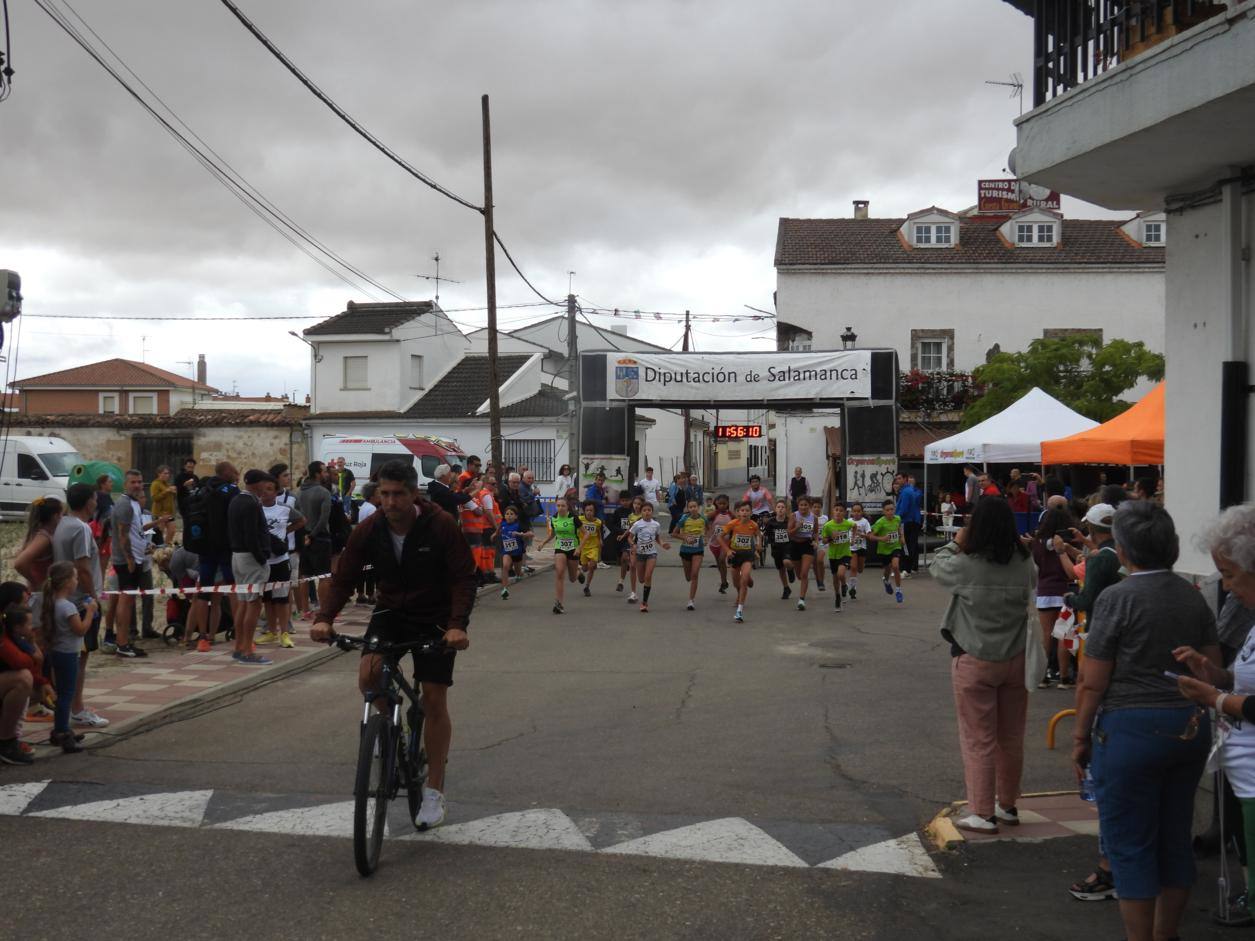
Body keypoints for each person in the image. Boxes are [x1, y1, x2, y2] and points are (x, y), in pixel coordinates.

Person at [1072, 501, 1221, 941]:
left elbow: (1092, 680)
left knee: (1130, 843)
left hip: (1129, 729)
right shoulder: (1191, 598)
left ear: (1123, 550)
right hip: (1188, 726)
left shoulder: (1116, 598)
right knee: (1175, 837)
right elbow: (1211, 669)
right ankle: (1165, 934)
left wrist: (1080, 736)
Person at [310, 459, 476, 832]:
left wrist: (456, 626)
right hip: (391, 610)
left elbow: (464, 577)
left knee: (434, 698)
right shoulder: (370, 528)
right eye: (384, 494)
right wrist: (325, 618)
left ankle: (434, 790)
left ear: (414, 494)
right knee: (368, 675)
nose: (390, 502)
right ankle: (388, 730)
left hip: (435, 614)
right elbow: (345, 576)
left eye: (398, 494)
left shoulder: (440, 525)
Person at [931, 496, 1035, 834]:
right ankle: (1007, 805)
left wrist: (957, 541)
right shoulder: (1024, 562)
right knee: (1011, 736)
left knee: (978, 738)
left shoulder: (967, 563)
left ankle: (982, 811)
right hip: (1017, 657)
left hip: (974, 656)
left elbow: (937, 564)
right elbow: (1032, 577)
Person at [1173, 505, 1255, 922]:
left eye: (1229, 574)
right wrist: (1214, 674)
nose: (1225, 586)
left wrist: (1215, 697)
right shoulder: (1252, 618)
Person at [52, 483, 107, 730]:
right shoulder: (82, 529)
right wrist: (93, 598)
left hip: (65, 598)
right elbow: (83, 567)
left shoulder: (62, 523)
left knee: (69, 657)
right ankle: (77, 709)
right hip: (80, 601)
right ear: (89, 502)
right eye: (95, 499)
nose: (96, 503)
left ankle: (68, 705)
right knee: (80, 658)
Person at [39, 561, 97, 754]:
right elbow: (80, 630)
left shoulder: (52, 603)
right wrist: (90, 612)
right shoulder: (68, 607)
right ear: (66, 583)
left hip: (56, 652)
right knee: (66, 695)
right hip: (68, 654)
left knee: (62, 693)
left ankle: (61, 727)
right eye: (74, 577)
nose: (76, 581)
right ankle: (62, 732)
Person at [186, 463, 240, 651]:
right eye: (235, 472)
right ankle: (241, 632)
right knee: (233, 589)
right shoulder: (232, 491)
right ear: (227, 474)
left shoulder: (202, 490)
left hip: (204, 548)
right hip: (225, 547)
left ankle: (203, 638)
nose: (238, 475)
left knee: (203, 592)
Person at [1031, 506, 1078, 690]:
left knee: (1046, 635)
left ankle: (1043, 676)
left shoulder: (1037, 542)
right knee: (1064, 634)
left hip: (1044, 591)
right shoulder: (1066, 543)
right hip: (1064, 590)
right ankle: (1064, 677)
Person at [107, 471, 151, 659]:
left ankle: (124, 641)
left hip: (137, 557)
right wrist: (130, 559)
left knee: (129, 599)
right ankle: (122, 643)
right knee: (125, 599)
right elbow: (122, 534)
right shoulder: (124, 504)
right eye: (133, 482)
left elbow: (135, 530)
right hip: (127, 560)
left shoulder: (134, 504)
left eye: (140, 482)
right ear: (125, 484)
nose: (137, 485)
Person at [259, 474, 304, 649]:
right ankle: (271, 631)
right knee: (268, 600)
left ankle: (284, 633)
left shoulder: (284, 509)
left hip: (280, 560)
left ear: (276, 492)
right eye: (263, 489)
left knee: (282, 599)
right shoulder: (255, 508)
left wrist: (286, 531)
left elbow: (301, 520)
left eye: (269, 489)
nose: (265, 493)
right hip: (263, 561)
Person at [297, 461, 333, 618]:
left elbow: (298, 515)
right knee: (324, 576)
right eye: (324, 471)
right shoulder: (323, 492)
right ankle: (324, 610)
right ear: (318, 474)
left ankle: (305, 610)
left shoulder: (299, 492)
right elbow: (324, 519)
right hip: (320, 537)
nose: (326, 474)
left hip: (304, 536)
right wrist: (313, 535)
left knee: (305, 575)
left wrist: (305, 535)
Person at [538, 496, 580, 614]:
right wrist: (543, 543)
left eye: (563, 506)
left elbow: (585, 534)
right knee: (560, 572)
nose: (560, 508)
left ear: (567, 507)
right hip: (560, 547)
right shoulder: (554, 518)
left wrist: (579, 547)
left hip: (573, 548)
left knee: (572, 579)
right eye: (558, 506)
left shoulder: (573, 518)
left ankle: (578, 572)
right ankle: (559, 603)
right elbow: (553, 535)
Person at [722, 501, 761, 623]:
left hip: (748, 555)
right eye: (742, 510)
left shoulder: (753, 525)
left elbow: (758, 534)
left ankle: (739, 611)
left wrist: (759, 545)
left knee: (743, 580)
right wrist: (727, 550)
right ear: (738, 512)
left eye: (747, 510)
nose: (744, 513)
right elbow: (719, 537)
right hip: (735, 555)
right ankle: (745, 584)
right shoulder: (733, 524)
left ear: (751, 512)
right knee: (736, 582)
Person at [628, 501, 670, 613]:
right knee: (641, 579)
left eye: (649, 510)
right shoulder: (637, 524)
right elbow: (630, 537)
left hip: (651, 554)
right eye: (644, 510)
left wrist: (662, 544)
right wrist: (633, 545)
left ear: (652, 512)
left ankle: (644, 603)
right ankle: (643, 598)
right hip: (640, 554)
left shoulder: (656, 525)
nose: (647, 512)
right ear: (641, 512)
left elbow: (657, 537)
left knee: (648, 576)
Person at [13, 497, 64, 591]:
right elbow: (19, 563)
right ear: (55, 516)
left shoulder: (39, 533)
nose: (63, 518)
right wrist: (35, 582)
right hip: (40, 591)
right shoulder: (43, 538)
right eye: (62, 514)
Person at [787, 494, 819, 612]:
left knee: (804, 573)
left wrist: (816, 542)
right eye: (801, 505)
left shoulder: (813, 518)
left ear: (809, 506)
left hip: (807, 545)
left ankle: (801, 600)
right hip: (795, 545)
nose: (803, 507)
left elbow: (815, 533)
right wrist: (797, 527)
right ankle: (791, 569)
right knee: (799, 575)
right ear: (798, 505)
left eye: (806, 505)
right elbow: (789, 533)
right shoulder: (793, 516)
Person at [868, 499, 905, 604]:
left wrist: (902, 537)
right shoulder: (880, 522)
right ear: (883, 511)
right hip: (884, 550)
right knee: (887, 569)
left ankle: (898, 591)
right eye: (887, 510)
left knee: (896, 566)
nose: (890, 512)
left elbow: (900, 528)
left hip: (895, 546)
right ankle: (886, 581)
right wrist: (882, 539)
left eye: (892, 509)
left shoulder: (898, 518)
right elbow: (870, 536)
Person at [822, 503, 855, 612]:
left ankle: (844, 585)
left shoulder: (847, 524)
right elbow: (824, 540)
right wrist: (832, 537)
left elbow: (855, 526)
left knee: (841, 574)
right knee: (835, 578)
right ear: (833, 511)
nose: (838, 512)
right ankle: (837, 596)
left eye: (841, 510)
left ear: (844, 513)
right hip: (833, 555)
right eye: (836, 510)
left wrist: (853, 539)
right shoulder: (828, 525)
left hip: (845, 554)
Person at [675, 498, 706, 611]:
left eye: (695, 506)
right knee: (688, 577)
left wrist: (706, 538)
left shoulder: (703, 519)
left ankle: (691, 600)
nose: (693, 509)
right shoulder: (684, 519)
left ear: (698, 508)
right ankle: (690, 595)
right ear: (688, 509)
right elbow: (674, 533)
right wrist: (685, 537)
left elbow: (709, 528)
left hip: (698, 550)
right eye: (690, 507)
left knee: (694, 574)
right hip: (685, 550)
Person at [763, 499, 795, 599]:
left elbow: (794, 532)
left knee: (787, 562)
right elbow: (765, 534)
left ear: (786, 510)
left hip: (788, 546)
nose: (780, 509)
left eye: (783, 507)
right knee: (781, 569)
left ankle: (790, 570)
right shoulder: (771, 522)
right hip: (776, 548)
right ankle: (786, 588)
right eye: (778, 507)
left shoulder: (789, 520)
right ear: (775, 509)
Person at [498, 505, 531, 599]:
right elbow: (498, 529)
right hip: (507, 551)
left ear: (516, 516)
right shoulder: (503, 524)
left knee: (518, 572)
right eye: (507, 514)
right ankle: (504, 589)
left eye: (511, 514)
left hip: (517, 553)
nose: (509, 516)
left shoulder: (519, 525)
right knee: (505, 566)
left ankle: (520, 573)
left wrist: (521, 534)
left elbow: (530, 533)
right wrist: (494, 534)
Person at [896, 475, 923, 576]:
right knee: (911, 545)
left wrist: (896, 518)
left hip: (907, 521)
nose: (897, 481)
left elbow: (904, 508)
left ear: (905, 479)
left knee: (906, 546)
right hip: (912, 520)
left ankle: (906, 569)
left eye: (899, 478)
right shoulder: (908, 491)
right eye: (896, 479)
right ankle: (909, 568)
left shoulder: (907, 492)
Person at [706, 494, 733, 595]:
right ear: (716, 504)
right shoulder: (713, 514)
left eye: (724, 503)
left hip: (726, 542)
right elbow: (704, 520)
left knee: (722, 559)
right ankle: (724, 582)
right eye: (720, 503)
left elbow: (737, 523)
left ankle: (724, 581)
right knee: (719, 564)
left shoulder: (731, 515)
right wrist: (707, 530)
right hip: (714, 542)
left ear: (727, 504)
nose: (722, 505)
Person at [577, 501, 603, 597]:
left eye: (591, 510)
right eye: (587, 510)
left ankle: (587, 587)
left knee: (592, 565)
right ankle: (580, 572)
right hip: (583, 547)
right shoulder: (579, 519)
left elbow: (599, 531)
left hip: (593, 546)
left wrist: (600, 540)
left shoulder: (598, 522)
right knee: (584, 568)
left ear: (594, 511)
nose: (589, 512)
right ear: (584, 511)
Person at [847, 503, 872, 601]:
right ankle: (852, 588)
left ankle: (862, 565)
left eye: (859, 511)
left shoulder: (864, 522)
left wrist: (862, 535)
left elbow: (869, 535)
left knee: (860, 569)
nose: (856, 513)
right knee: (853, 567)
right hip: (851, 548)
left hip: (862, 547)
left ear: (862, 512)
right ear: (852, 512)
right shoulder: (848, 521)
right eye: (855, 511)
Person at [150, 465, 177, 545]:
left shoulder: (167, 484)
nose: (167, 475)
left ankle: (165, 548)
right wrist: (167, 491)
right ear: (159, 474)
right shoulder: (155, 484)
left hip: (169, 513)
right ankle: (158, 549)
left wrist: (174, 492)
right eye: (164, 473)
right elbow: (154, 498)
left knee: (172, 531)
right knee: (159, 533)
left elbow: (171, 499)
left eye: (168, 474)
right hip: (159, 513)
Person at [173, 457, 199, 521]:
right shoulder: (179, 477)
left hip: (194, 504)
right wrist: (184, 485)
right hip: (183, 504)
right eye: (188, 467)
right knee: (186, 523)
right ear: (185, 466)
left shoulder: (195, 477)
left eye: (192, 467)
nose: (190, 469)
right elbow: (175, 490)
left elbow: (198, 488)